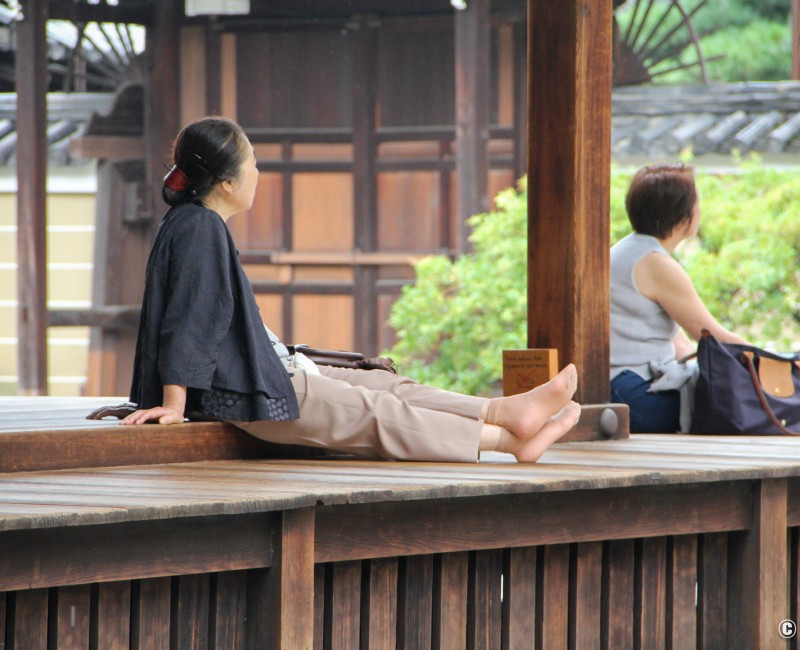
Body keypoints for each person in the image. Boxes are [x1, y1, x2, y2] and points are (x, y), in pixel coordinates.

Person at [119, 116, 581, 463]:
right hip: (241, 392)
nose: (258, 173)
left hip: (268, 372)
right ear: (227, 182)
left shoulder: (198, 222)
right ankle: (508, 441)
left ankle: (501, 410)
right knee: (375, 409)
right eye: (253, 164)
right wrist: (175, 404)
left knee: (386, 385)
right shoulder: (199, 227)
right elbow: (189, 319)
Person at [610, 163, 746, 433]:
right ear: (685, 215)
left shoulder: (630, 250)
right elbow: (712, 336)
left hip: (619, 388)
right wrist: (778, 361)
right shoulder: (655, 263)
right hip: (632, 394)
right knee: (737, 401)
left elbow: (681, 345)